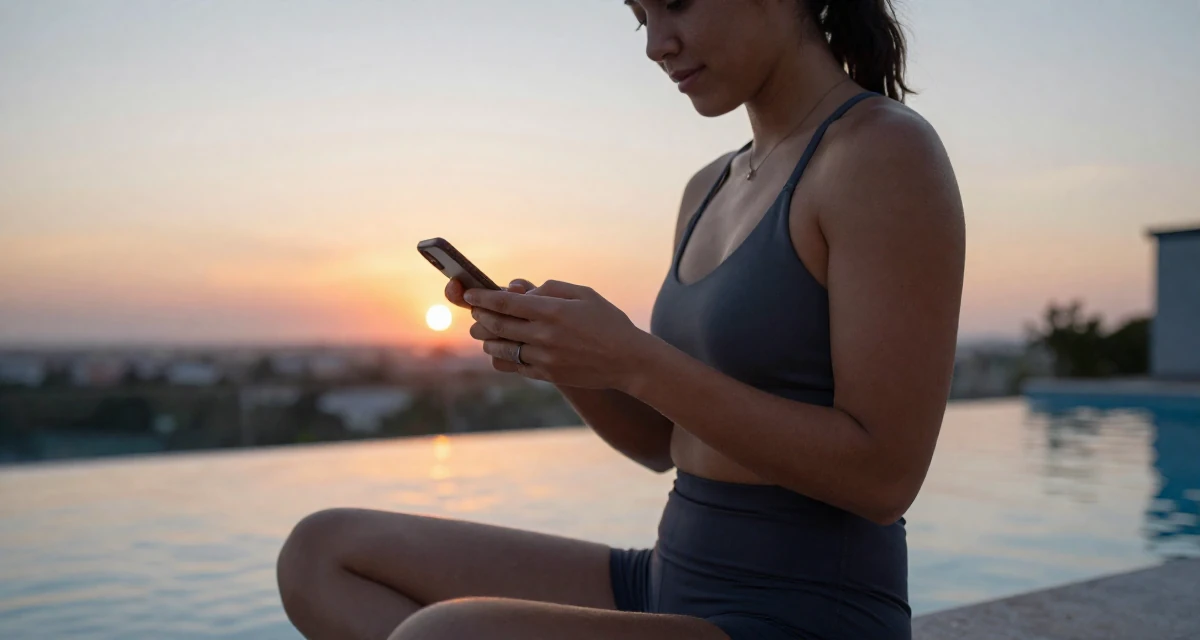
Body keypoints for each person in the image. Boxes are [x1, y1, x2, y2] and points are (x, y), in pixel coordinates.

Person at [276, 0, 965, 637]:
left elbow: (884, 479)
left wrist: (634, 359)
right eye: (640, 17)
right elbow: (661, 444)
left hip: (803, 615)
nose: (657, 45)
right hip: (671, 579)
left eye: (677, 4)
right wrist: (565, 357)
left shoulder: (880, 152)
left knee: (445, 637)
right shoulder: (711, 186)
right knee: (322, 553)